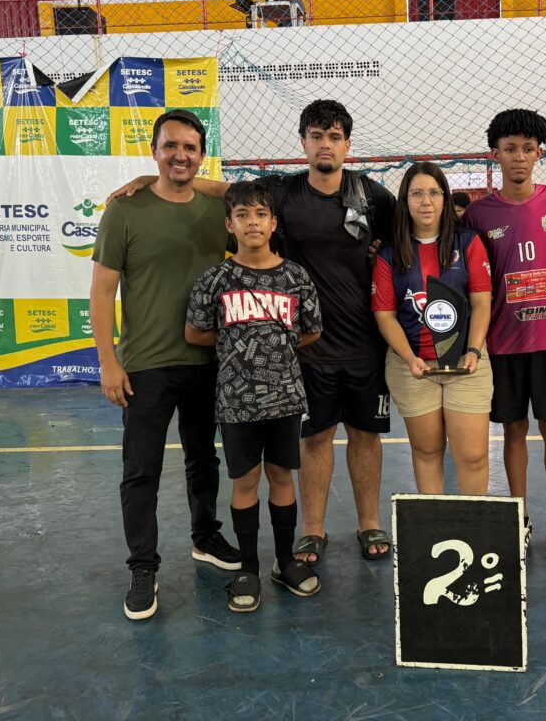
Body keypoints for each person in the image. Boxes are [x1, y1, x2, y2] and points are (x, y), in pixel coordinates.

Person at [106, 100, 395, 568]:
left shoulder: (373, 196)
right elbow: (230, 192)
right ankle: (312, 531)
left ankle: (369, 522)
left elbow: (401, 246)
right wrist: (154, 180)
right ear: (303, 142)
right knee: (314, 439)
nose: (325, 144)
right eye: (316, 136)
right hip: (303, 348)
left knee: (365, 435)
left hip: (363, 342)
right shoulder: (283, 192)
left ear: (347, 144)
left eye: (335, 137)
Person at [90, 109, 240, 622]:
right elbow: (102, 292)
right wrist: (108, 362)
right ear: (154, 150)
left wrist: (198, 183)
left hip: (206, 360)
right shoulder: (124, 211)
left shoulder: (217, 211)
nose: (180, 155)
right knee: (141, 471)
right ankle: (143, 567)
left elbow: (255, 198)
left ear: (202, 155)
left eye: (190, 148)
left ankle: (205, 537)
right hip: (145, 365)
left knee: (204, 458)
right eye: (170, 146)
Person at [185, 181, 322, 612]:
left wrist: (275, 348)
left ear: (274, 222)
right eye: (242, 215)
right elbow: (194, 332)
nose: (252, 223)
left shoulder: (295, 277)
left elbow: (311, 330)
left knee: (282, 476)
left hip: (284, 398)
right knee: (244, 481)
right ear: (229, 224)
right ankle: (248, 569)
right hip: (236, 400)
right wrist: (238, 346)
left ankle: (284, 562)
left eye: (260, 214)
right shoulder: (216, 279)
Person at [462, 109, 546, 570]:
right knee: (513, 430)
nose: (518, 156)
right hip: (503, 342)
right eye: (509, 148)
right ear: (494, 154)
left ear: (539, 153)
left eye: (527, 149)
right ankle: (520, 517)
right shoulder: (479, 213)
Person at [371, 163, 493, 494]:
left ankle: (472, 521)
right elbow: (385, 315)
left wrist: (473, 350)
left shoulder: (468, 243)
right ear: (405, 200)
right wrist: (410, 358)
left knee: (473, 456)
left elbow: (481, 303)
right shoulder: (389, 253)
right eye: (417, 194)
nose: (426, 201)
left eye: (434, 193)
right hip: (414, 367)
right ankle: (434, 522)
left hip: (465, 363)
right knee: (426, 452)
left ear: (444, 198)